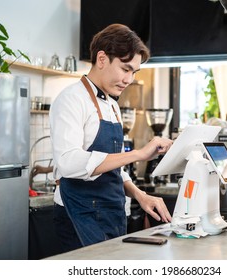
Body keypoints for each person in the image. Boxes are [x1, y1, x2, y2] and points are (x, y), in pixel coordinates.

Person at [49, 23, 173, 251]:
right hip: (79, 216)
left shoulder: (113, 106)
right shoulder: (70, 99)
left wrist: (140, 195)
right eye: (125, 69)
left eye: (134, 72)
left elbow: (114, 167)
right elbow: (67, 162)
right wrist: (137, 154)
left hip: (112, 214)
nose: (129, 79)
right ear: (102, 59)